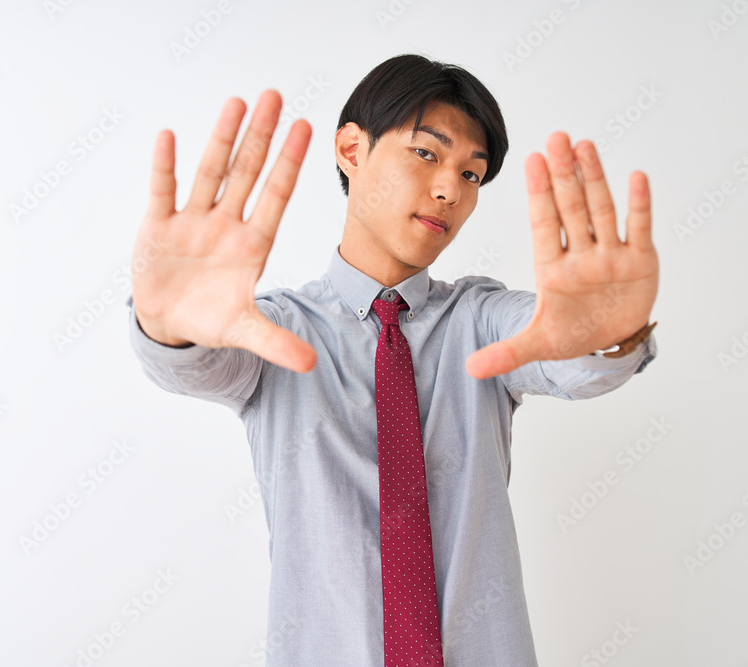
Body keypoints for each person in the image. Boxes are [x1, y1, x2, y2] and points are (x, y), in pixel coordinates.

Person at [125, 53, 659, 666]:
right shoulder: (275, 331)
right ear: (352, 151)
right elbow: (195, 362)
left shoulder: (481, 322)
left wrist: (610, 333)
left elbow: (565, 353)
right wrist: (167, 326)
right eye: (427, 154)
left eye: (472, 175)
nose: (449, 190)